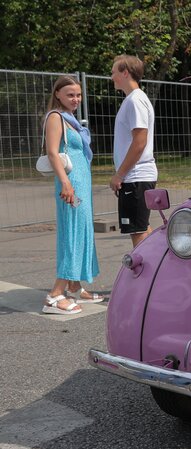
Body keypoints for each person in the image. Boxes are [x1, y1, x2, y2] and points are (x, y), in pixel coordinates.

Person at [42, 76, 102, 314]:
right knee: (73, 235)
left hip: (80, 184)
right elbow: (52, 153)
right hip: (71, 185)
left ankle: (75, 286)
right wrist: (66, 183)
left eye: (78, 95)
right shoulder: (56, 118)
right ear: (57, 94)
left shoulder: (71, 119)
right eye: (70, 94)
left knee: (83, 231)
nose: (75, 99)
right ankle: (54, 296)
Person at [109, 54, 157, 248]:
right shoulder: (134, 100)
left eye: (113, 72)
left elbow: (140, 141)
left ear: (125, 72)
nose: (111, 76)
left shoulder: (135, 101)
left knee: (138, 235)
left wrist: (119, 175)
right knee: (143, 229)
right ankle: (158, 271)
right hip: (136, 177)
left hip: (135, 177)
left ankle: (147, 277)